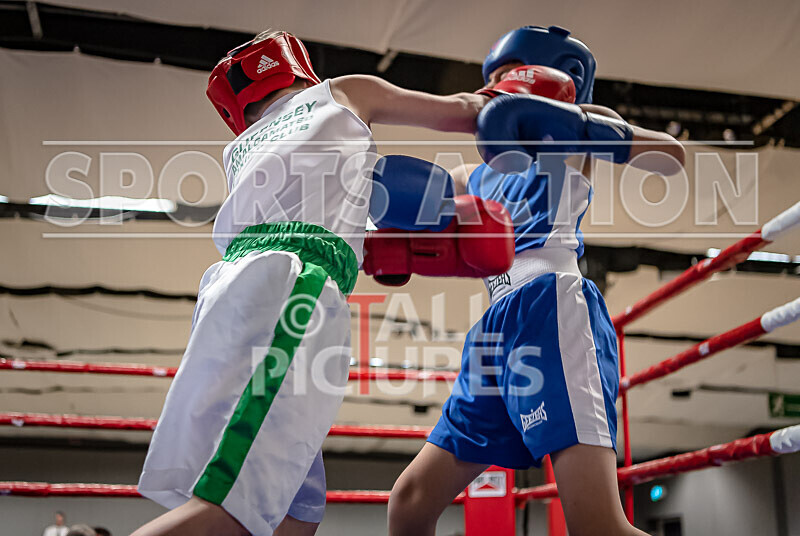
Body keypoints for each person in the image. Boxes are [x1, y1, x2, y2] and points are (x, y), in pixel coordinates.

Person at [132, 29, 514, 536]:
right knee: (233, 508)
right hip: (294, 285)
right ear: (298, 68)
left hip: (228, 291)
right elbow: (466, 110)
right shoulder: (343, 91)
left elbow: (323, 203)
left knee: (297, 508)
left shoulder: (241, 151)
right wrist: (525, 96)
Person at [388, 26, 685, 536]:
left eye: (513, 77)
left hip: (551, 309)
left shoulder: (574, 133)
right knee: (410, 502)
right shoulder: (467, 175)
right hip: (493, 335)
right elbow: (419, 220)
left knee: (598, 525)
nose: (501, 91)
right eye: (496, 81)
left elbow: (670, 158)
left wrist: (567, 121)